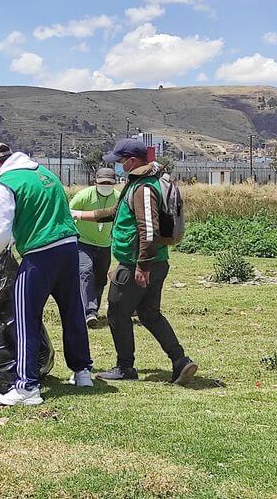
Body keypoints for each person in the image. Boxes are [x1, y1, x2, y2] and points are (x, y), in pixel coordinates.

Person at [71, 139, 198, 386]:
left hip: (136, 263)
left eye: (119, 161)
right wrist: (78, 215)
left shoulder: (143, 189)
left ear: (131, 161)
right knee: (149, 313)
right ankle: (180, 360)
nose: (118, 166)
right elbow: (115, 213)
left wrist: (142, 266)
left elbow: (148, 229)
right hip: (156, 260)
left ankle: (125, 367)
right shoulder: (139, 184)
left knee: (118, 312)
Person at [0, 141, 93, 406]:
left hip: (40, 253)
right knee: (72, 310)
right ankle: (82, 372)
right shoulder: (45, 173)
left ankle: (27, 387)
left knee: (25, 316)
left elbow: (2, 230)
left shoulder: (5, 184)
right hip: (69, 247)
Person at [69, 168, 119, 328]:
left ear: (114, 184)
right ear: (95, 182)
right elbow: (68, 213)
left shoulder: (119, 198)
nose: (106, 185)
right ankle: (88, 312)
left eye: (109, 183)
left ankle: (93, 310)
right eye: (102, 182)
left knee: (100, 278)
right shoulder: (83, 196)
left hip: (105, 244)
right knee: (85, 272)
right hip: (83, 242)